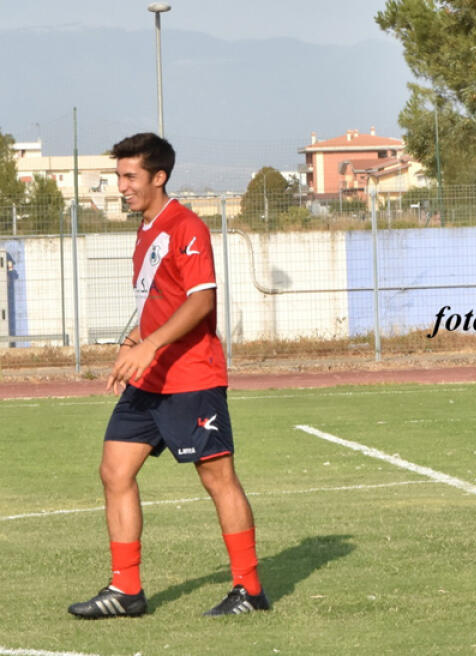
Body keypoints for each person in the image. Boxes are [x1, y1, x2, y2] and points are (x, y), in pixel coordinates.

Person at [68, 133, 269, 618]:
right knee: (114, 471)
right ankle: (126, 591)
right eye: (119, 176)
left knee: (217, 477)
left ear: (159, 177)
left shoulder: (186, 227)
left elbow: (200, 302)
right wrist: (135, 340)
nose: (122, 186)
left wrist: (152, 344)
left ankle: (250, 589)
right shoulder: (145, 230)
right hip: (149, 378)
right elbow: (161, 304)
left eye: (130, 176)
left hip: (191, 378)